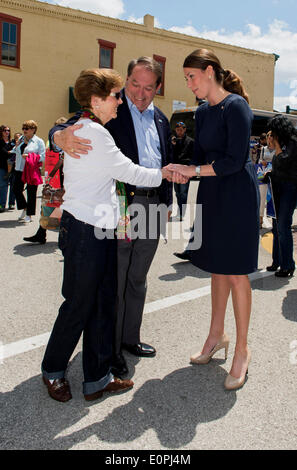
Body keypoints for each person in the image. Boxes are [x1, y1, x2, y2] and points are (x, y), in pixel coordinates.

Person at [41, 67, 172, 402]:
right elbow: (129, 171)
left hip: (99, 228)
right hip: (86, 231)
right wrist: (167, 173)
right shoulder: (94, 133)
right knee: (79, 304)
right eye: (115, 96)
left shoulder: (91, 127)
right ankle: (53, 370)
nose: (119, 102)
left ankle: (97, 377)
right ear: (97, 100)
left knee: (102, 303)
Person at [169, 48, 259, 391]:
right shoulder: (202, 112)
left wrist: (193, 170)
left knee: (236, 272)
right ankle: (216, 335)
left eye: (191, 76)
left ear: (209, 72)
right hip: (211, 194)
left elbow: (234, 160)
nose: (189, 83)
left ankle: (242, 349)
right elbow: (199, 159)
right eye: (186, 78)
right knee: (217, 268)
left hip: (236, 194)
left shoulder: (237, 106)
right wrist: (183, 173)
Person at [23, 117, 67, 245]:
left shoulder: (64, 142)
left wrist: (51, 176)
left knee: (60, 208)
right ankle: (41, 233)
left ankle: (62, 238)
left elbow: (62, 160)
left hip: (60, 180)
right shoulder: (52, 141)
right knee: (48, 206)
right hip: (53, 180)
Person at [265, 116, 297, 277]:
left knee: (283, 225)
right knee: (276, 225)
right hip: (278, 186)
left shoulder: (293, 142)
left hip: (290, 188)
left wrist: (276, 146)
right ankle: (276, 261)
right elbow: (278, 165)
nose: (272, 135)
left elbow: (283, 161)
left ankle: (288, 265)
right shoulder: (285, 142)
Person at [12, 120, 45, 223]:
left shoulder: (38, 141)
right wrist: (16, 146)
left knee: (31, 192)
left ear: (33, 129)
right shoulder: (21, 139)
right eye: (23, 128)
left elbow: (43, 156)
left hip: (31, 169)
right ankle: (25, 208)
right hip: (19, 168)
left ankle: (29, 215)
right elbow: (14, 151)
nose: (24, 130)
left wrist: (30, 156)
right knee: (16, 189)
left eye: (27, 128)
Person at [171, 122, 194, 220]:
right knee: (177, 192)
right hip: (175, 170)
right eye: (177, 130)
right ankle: (179, 211)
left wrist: (191, 169)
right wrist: (172, 145)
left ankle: (182, 213)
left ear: (184, 129)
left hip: (185, 170)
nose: (179, 131)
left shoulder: (190, 141)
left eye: (181, 129)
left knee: (184, 192)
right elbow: (170, 154)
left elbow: (193, 156)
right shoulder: (173, 141)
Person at [257, 133, 275, 228]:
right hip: (264, 176)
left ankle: (274, 220)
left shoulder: (278, 149)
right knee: (262, 198)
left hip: (275, 177)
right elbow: (260, 161)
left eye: (271, 136)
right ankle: (260, 220)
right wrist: (263, 163)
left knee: (272, 199)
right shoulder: (264, 149)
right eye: (268, 136)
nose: (269, 137)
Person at [0, 125, 15, 212]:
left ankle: (11, 203)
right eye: (5, 130)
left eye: (8, 130)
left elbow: (15, 152)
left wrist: (10, 152)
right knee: (3, 186)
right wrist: (10, 152)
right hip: (2, 167)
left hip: (13, 167)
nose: (7, 132)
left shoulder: (12, 142)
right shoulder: (0, 142)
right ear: (1, 131)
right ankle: (2, 205)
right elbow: (4, 153)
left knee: (13, 185)